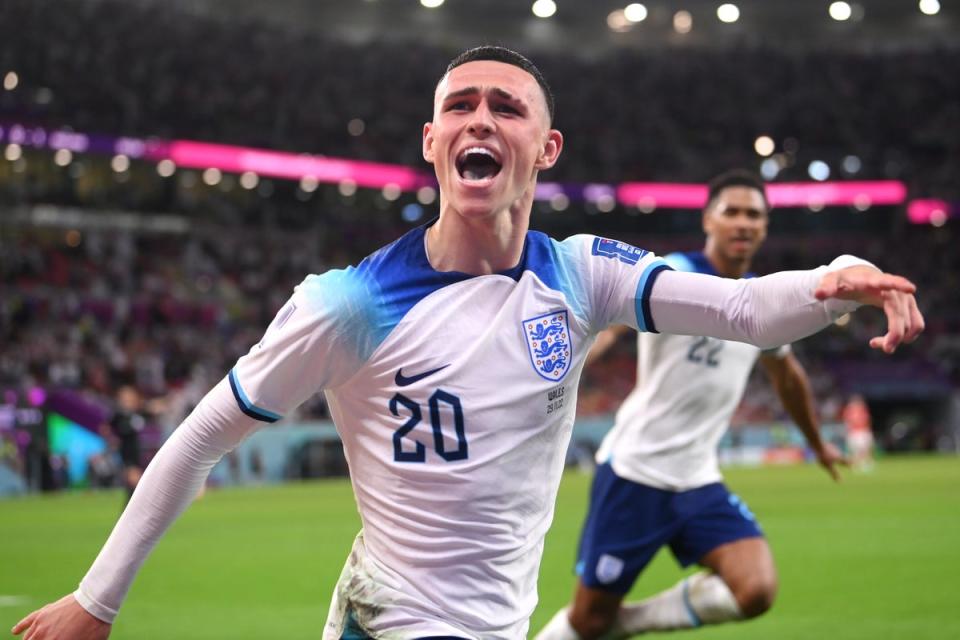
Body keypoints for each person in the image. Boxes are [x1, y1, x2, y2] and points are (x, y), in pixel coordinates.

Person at [13, 46, 923, 640]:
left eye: (507, 107)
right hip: (394, 623)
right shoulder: (349, 304)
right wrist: (97, 603)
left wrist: (832, 282)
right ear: (432, 141)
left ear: (547, 146)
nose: (480, 118)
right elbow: (202, 435)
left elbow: (744, 312)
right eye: (461, 106)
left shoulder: (579, 275)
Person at [536, 169, 848, 640]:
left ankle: (627, 623)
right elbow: (610, 329)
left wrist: (818, 444)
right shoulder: (673, 272)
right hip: (635, 473)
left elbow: (786, 375)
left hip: (697, 477)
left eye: (754, 215)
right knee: (586, 620)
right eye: (733, 212)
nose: (743, 223)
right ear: (710, 219)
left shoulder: (762, 303)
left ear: (765, 227)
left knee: (756, 589)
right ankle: (602, 623)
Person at [843, 393, 875, 470]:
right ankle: (856, 465)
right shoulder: (849, 410)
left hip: (863, 431)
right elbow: (847, 422)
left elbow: (867, 420)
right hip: (855, 432)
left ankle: (866, 463)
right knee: (856, 451)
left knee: (866, 449)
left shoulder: (862, 409)